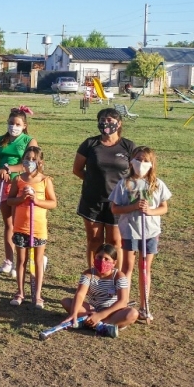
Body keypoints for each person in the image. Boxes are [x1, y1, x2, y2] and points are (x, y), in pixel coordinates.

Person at [109, 146, 171, 324]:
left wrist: (150, 211)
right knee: (128, 266)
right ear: (131, 161)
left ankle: (145, 305)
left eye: (145, 161)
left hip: (150, 231)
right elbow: (115, 208)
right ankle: (123, 302)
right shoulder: (124, 183)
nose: (141, 163)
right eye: (138, 159)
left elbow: (164, 208)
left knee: (145, 267)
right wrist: (133, 207)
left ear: (152, 164)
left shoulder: (157, 184)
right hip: (130, 231)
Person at [72, 108, 136, 268]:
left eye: (109, 120)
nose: (105, 123)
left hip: (118, 202)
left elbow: (134, 173)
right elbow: (77, 170)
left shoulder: (128, 146)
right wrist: (94, 182)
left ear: (119, 123)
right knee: (94, 240)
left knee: (115, 242)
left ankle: (115, 277)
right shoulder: (89, 144)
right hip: (93, 200)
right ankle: (93, 275)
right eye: (102, 120)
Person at [0, 106, 38, 276]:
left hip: (21, 184)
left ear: (24, 125)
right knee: (8, 223)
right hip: (4, 184)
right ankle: (9, 259)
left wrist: (9, 168)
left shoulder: (29, 141)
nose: (13, 127)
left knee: (19, 224)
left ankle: (23, 260)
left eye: (17, 124)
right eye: (11, 123)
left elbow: (30, 163)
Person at [6, 146, 57, 308]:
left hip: (38, 228)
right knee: (21, 260)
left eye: (34, 159)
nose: (30, 162)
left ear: (40, 162)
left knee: (37, 261)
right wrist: (22, 198)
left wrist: (37, 200)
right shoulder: (18, 179)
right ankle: (20, 292)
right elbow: (10, 200)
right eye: (27, 158)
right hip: (21, 227)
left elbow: (53, 203)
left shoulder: (45, 180)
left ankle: (38, 295)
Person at [59, 244, 138, 338]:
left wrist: (100, 316)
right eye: (99, 257)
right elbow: (80, 294)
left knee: (132, 313)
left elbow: (123, 301)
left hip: (112, 312)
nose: (102, 261)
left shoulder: (119, 276)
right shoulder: (88, 274)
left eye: (106, 259)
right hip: (93, 310)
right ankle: (102, 326)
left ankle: (91, 322)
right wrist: (74, 313)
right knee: (67, 302)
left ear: (114, 262)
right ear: (94, 258)